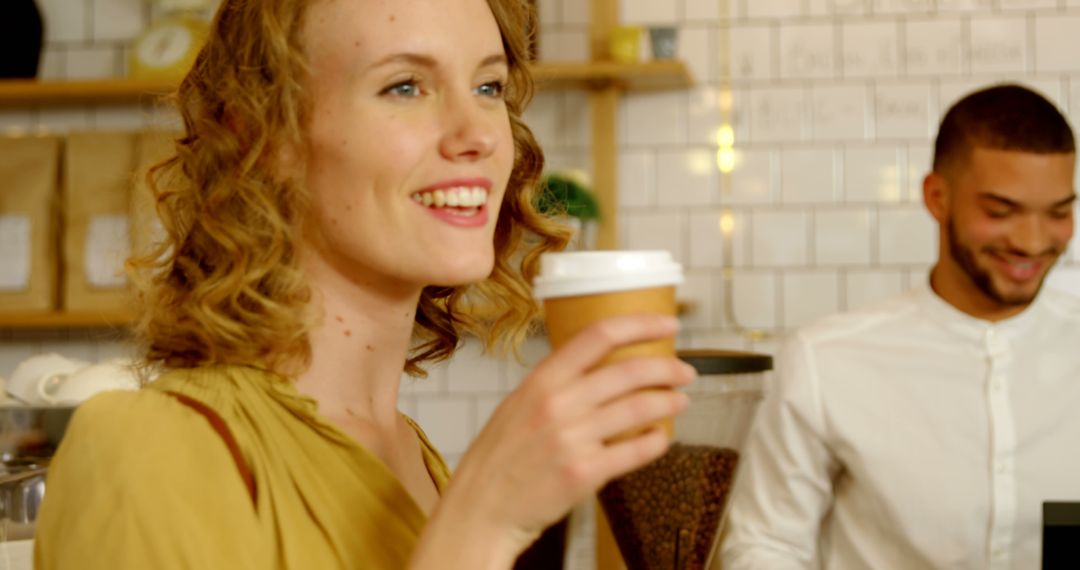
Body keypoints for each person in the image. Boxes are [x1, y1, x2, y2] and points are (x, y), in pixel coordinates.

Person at [34, 0, 695, 568]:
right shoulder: (142, 449)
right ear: (264, 137)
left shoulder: (416, 459)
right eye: (405, 86)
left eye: (489, 88)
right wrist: (482, 525)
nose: (479, 137)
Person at [721, 83, 1080, 569]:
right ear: (937, 198)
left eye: (1059, 213)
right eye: (1001, 212)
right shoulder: (826, 361)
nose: (1033, 241)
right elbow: (768, 546)